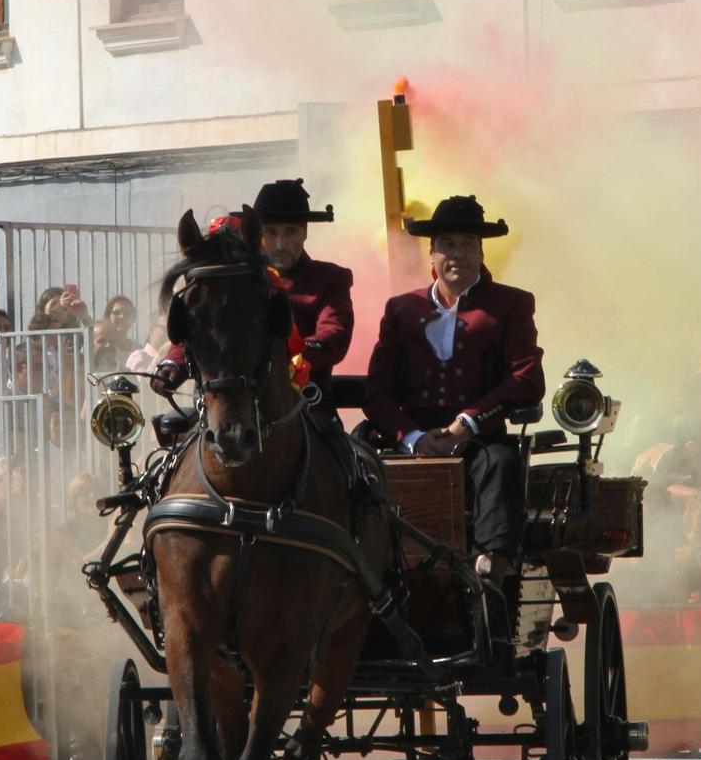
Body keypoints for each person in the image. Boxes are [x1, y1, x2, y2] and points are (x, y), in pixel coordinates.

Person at [364, 194, 544, 578]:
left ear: (481, 253)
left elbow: (526, 379)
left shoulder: (511, 303)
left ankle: (490, 569)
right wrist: (411, 438)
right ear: (432, 254)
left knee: (501, 462)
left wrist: (465, 425)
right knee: (354, 462)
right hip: (411, 434)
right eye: (447, 244)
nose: (457, 254)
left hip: (479, 437)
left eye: (467, 245)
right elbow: (377, 391)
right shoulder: (400, 309)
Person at [155, 179, 357, 404]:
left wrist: (279, 354)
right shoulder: (237, 279)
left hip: (306, 403)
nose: (280, 244)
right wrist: (172, 364)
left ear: (305, 233)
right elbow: (204, 328)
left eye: (290, 231)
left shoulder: (331, 278)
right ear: (257, 235)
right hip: (228, 400)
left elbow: (333, 338)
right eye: (271, 232)